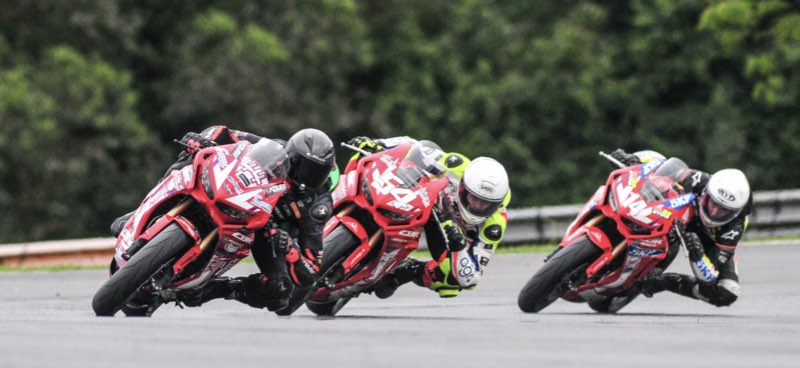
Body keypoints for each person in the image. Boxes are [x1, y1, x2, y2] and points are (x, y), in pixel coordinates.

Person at [116, 125, 336, 313]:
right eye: (304, 167)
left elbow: (311, 273)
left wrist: (290, 249)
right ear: (292, 154)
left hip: (265, 232)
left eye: (316, 174)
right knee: (188, 159)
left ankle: (216, 289)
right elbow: (224, 132)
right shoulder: (271, 148)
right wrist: (203, 139)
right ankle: (141, 212)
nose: (306, 179)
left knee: (280, 293)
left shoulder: (315, 205)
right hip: (234, 195)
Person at [344, 136, 511, 299]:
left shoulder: (494, 226)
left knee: (453, 281)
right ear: (463, 186)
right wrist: (379, 144)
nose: (477, 206)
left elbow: (471, 277)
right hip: (424, 200)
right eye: (474, 198)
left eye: (486, 204)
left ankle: (406, 271)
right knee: (363, 159)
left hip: (447, 232)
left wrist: (458, 245)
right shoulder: (456, 165)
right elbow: (414, 147)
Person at [609, 149, 752, 308]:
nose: (715, 212)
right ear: (707, 193)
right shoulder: (699, 180)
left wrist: (697, 257)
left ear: (734, 213)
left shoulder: (733, 229)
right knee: (662, 168)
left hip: (709, 241)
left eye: (723, 210)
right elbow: (664, 164)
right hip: (678, 214)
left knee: (727, 293)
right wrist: (634, 159)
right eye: (713, 204)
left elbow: (711, 274)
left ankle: (663, 282)